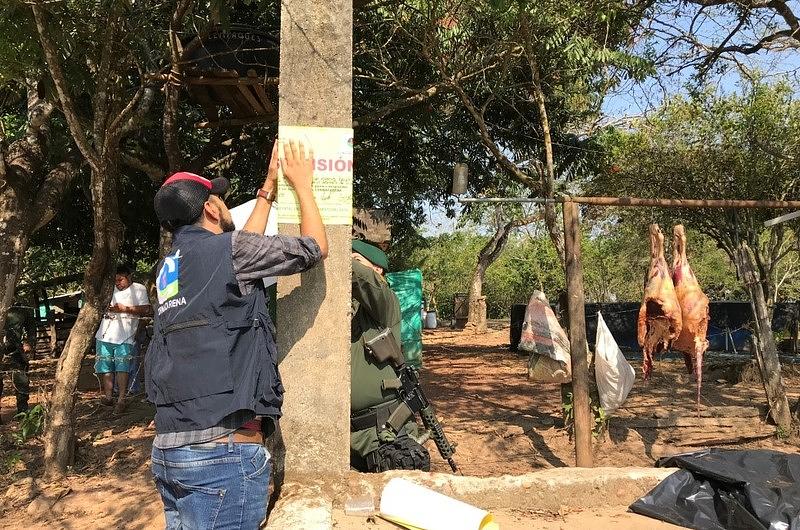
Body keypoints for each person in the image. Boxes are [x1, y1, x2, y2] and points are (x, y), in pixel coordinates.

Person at [146, 139, 327, 530]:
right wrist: (304, 185)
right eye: (219, 198)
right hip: (221, 458)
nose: (224, 203)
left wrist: (268, 188)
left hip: (170, 452)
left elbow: (239, 258)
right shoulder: (229, 251)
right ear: (211, 208)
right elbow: (316, 248)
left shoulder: (168, 269)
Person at [350, 239, 431, 472]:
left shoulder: (386, 303)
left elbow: (366, 281)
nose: (351, 267)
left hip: (385, 433)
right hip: (351, 435)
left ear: (377, 270)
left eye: (357, 261)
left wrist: (332, 250)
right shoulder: (350, 310)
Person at [95, 264, 152, 413]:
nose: (118, 283)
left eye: (120, 280)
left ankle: (121, 398)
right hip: (105, 333)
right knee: (105, 366)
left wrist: (124, 309)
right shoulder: (109, 289)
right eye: (116, 281)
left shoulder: (139, 289)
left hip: (125, 335)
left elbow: (146, 309)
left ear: (128, 277)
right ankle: (108, 396)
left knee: (122, 367)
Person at [1, 303, 36, 421]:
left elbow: (31, 328)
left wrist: (29, 342)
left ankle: (23, 413)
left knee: (21, 381)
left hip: (15, 350)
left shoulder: (22, 309)